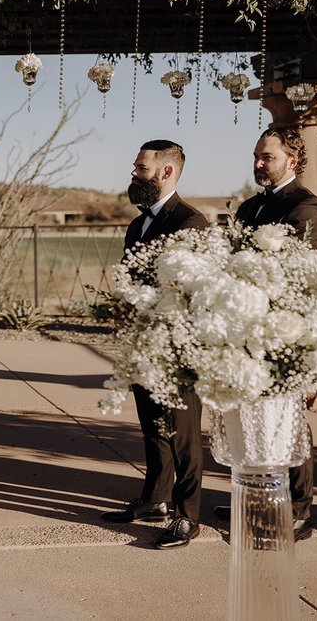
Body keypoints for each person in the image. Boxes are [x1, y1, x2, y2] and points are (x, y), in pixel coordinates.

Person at [215, 126, 317, 542]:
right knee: (248, 414)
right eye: (256, 156)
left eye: (268, 157)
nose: (258, 163)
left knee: (287, 416)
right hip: (244, 326)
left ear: (293, 160)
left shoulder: (307, 207)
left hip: (283, 332)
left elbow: (289, 271)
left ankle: (298, 508)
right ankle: (255, 490)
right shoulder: (247, 208)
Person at [99, 140, 208, 549]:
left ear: (166, 172)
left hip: (176, 345)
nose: (133, 172)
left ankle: (187, 515)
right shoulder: (137, 224)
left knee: (183, 434)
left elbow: (186, 289)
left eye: (141, 167)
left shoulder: (189, 223)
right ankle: (153, 500)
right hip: (141, 341)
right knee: (152, 428)